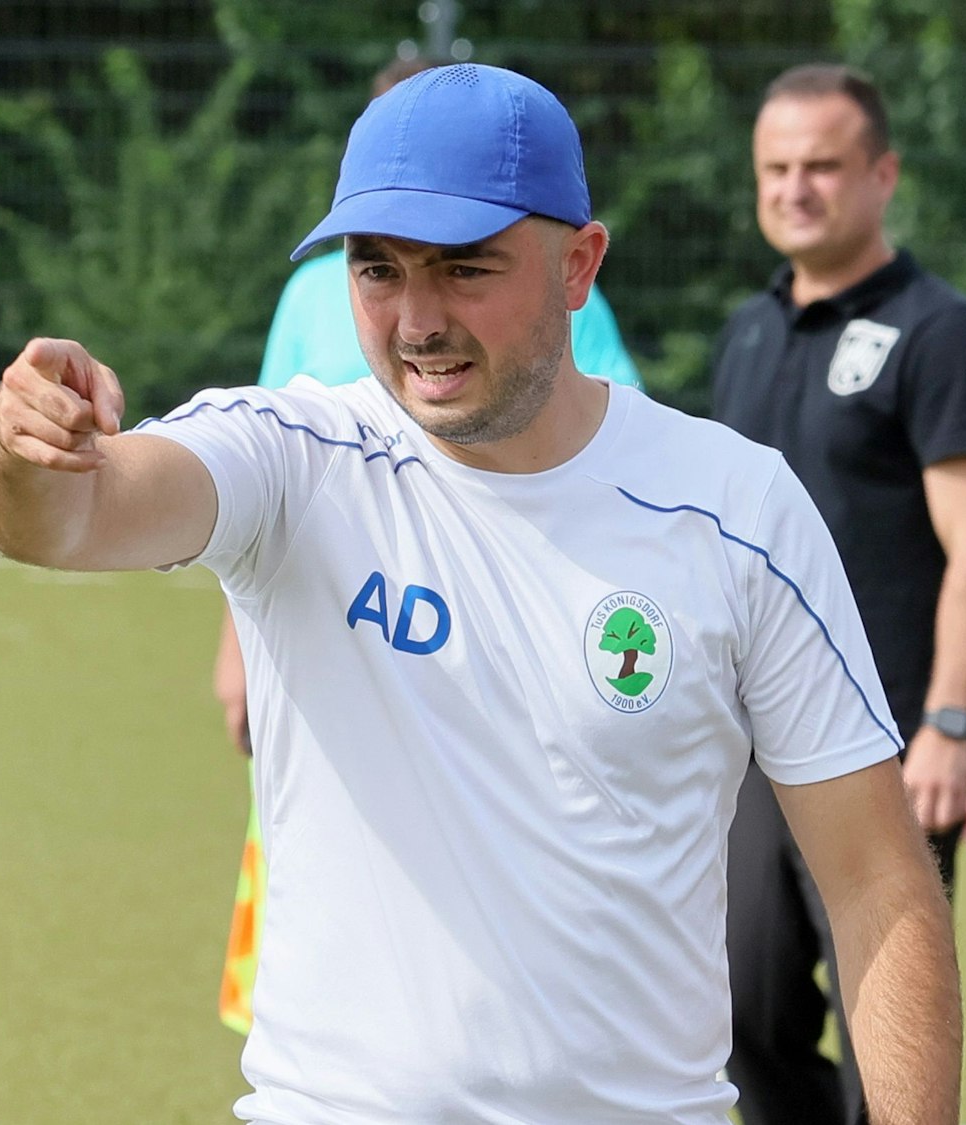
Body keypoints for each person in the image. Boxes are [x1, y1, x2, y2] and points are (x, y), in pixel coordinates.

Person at [0, 64, 959, 1125]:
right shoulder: (296, 456)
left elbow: (876, 883)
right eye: (378, 270)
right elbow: (60, 522)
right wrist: (25, 443)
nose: (416, 320)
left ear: (579, 264)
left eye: (465, 270)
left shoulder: (735, 508)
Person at [210, 52, 645, 1036]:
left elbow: (615, 457)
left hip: (500, 662)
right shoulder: (310, 295)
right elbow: (251, 487)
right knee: (316, 863)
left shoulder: (558, 294)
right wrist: (235, 639)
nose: (417, 314)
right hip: (337, 651)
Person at [708, 63, 966, 1125]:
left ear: (881, 174)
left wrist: (946, 723)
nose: (795, 188)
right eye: (775, 168)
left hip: (880, 743)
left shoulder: (944, 335)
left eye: (823, 167)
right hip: (746, 742)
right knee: (738, 1009)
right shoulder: (746, 332)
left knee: (888, 1021)